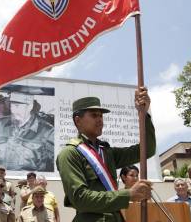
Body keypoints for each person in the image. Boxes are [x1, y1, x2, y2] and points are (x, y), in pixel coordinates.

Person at [56, 87, 156, 221]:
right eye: (93, 115)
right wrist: (128, 195)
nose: (99, 119)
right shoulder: (69, 153)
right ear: (78, 120)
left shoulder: (107, 152)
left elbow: (147, 149)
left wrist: (143, 113)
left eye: (101, 115)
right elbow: (80, 198)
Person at [0, 91, 54, 171]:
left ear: (30, 106)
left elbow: (53, 164)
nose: (13, 111)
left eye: (17, 106)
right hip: (2, 177)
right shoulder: (1, 123)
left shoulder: (47, 131)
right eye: (12, 106)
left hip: (29, 180)